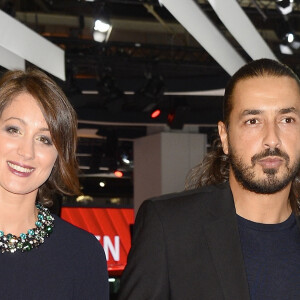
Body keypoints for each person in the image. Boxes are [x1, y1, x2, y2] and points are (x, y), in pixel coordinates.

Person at [118, 58, 300, 300]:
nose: (272, 139)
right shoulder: (169, 227)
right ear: (225, 137)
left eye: (286, 120)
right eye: (253, 121)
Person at [0, 69, 109, 299]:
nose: (26, 152)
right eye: (14, 130)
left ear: (58, 155)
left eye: (44, 139)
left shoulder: (82, 253)